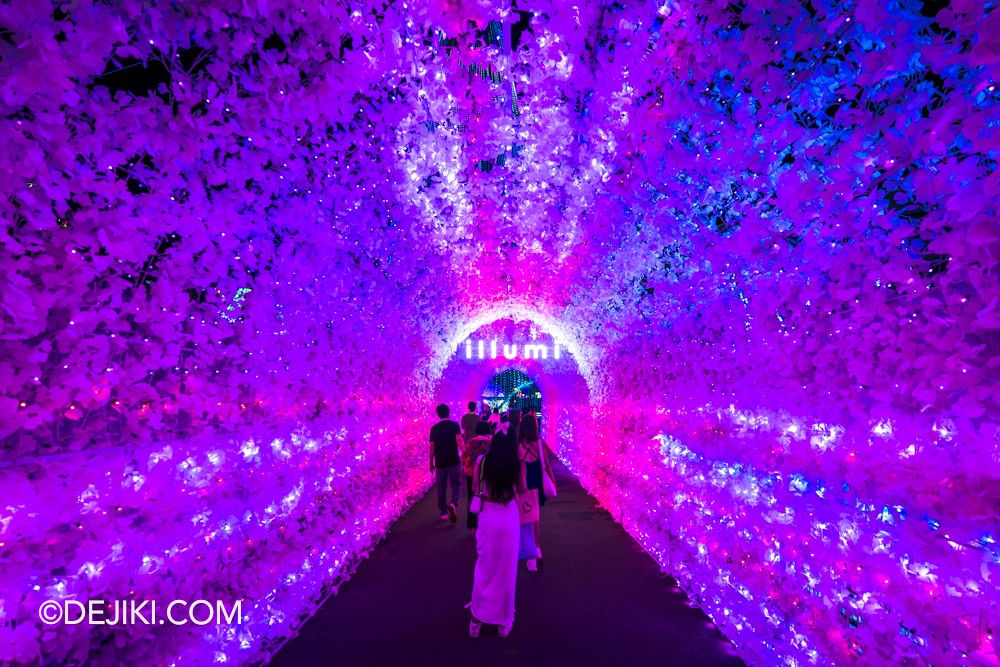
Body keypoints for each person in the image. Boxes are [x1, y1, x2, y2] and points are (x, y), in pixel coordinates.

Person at [468, 426, 527, 638]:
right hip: (508, 516)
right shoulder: (517, 465)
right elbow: (522, 490)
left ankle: (476, 621)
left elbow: (475, 488)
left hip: (487, 517)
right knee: (506, 569)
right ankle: (504, 622)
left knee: (484, 565)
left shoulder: (482, 462)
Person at [517, 411, 554, 571]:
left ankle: (530, 555)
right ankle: (537, 549)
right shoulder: (539, 444)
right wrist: (552, 483)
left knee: (525, 518)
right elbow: (546, 464)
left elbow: (516, 467)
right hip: (538, 483)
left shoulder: (517, 445)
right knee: (536, 517)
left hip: (523, 483)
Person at [429, 404, 463, 523]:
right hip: (454, 461)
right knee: (456, 485)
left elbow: (432, 448)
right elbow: (459, 440)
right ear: (449, 412)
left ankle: (443, 513)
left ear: (438, 414)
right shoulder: (454, 425)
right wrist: (465, 452)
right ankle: (453, 503)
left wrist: (431, 463)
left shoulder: (434, 429)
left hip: (440, 463)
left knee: (441, 488)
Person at [462, 421, 492, 535]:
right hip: (487, 473)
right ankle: (486, 524)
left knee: (472, 497)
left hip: (472, 473)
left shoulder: (470, 442)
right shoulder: (490, 442)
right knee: (488, 498)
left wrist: (465, 467)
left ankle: (472, 527)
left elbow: (465, 457)